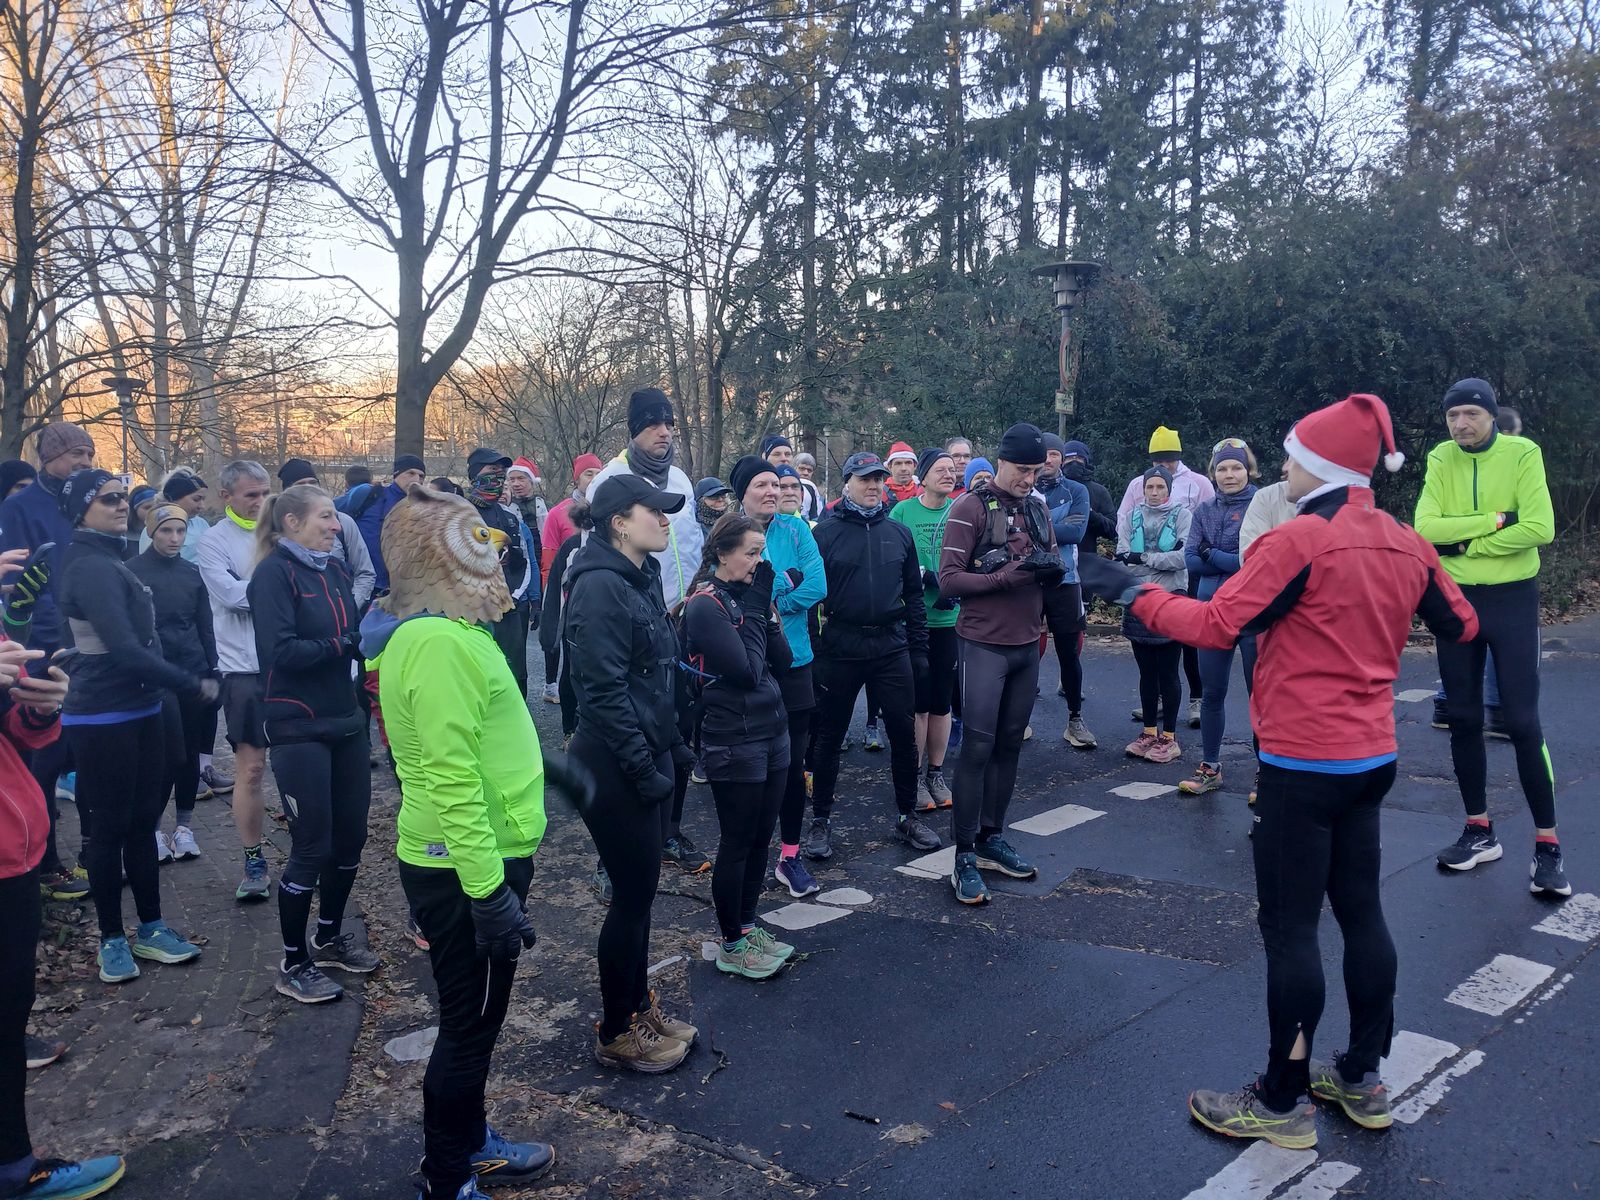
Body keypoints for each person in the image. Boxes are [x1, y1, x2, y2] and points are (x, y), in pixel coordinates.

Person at [1079, 391, 1479, 1151]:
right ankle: (1361, 1077)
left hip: (1301, 762)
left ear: (1322, 466)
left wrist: (1133, 591)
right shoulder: (1405, 540)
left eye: (1294, 457)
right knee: (1362, 913)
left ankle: (1281, 1099)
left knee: (1292, 929)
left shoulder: (1297, 541)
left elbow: (1215, 625)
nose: (1284, 469)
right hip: (1372, 757)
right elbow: (1462, 623)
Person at [360, 483, 576, 1198]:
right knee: (468, 1026)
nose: (497, 546)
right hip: (464, 867)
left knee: (475, 1023)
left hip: (477, 856)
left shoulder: (447, 632)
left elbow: (481, 745)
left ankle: (471, 1144)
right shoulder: (438, 644)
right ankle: (449, 1177)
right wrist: (487, 892)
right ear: (438, 554)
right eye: (478, 536)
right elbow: (449, 776)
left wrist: (556, 776)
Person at [55, 469, 208, 984]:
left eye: (123, 497)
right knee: (106, 830)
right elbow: (122, 647)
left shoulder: (110, 559)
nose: (121, 505)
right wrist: (192, 684)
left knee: (143, 825)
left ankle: (151, 928)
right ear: (81, 511)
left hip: (143, 710)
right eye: (108, 500)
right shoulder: (89, 565)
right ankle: (111, 940)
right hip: (103, 717)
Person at [564, 476, 696, 1073]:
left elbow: (656, 672)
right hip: (615, 764)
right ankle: (618, 1030)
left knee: (642, 895)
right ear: (619, 520)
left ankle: (639, 1008)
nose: (666, 521)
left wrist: (675, 745)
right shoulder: (598, 586)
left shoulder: (638, 577)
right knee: (631, 897)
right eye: (655, 512)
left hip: (648, 753)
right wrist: (645, 768)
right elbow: (603, 692)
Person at [1416, 378, 1566, 895]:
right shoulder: (1441, 457)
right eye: (1453, 416)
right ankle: (1478, 829)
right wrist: (1498, 521)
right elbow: (1425, 529)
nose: (1461, 424)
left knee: (1522, 721)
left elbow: (1541, 527)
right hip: (1456, 602)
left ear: (1491, 416)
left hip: (1512, 601)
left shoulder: (1523, 453)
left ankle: (1547, 845)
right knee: (1462, 718)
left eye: (1471, 415)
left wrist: (1464, 546)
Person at [1, 624, 126, 1200]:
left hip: (13, 853)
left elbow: (16, 733)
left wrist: (40, 709)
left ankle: (14, 1166)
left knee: (9, 1013)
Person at [248, 484, 377, 1003]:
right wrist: (343, 645)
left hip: (345, 721)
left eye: (334, 518)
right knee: (311, 847)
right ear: (293, 522)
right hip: (297, 726)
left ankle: (328, 936)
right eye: (326, 517)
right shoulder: (272, 575)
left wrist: (368, 640)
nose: (335, 526)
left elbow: (354, 637)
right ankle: (293, 962)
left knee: (351, 839)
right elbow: (280, 652)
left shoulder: (336, 570)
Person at [937, 424, 1062, 903]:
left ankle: (992, 838)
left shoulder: (1037, 508)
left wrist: (1049, 576)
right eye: (1021, 470)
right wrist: (1007, 577)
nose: (1029, 479)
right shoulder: (969, 507)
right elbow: (949, 582)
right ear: (1001, 462)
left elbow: (1049, 565)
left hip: (1026, 644)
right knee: (977, 748)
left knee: (1010, 746)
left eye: (1036, 471)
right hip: (982, 646)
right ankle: (963, 855)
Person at [805, 452, 941, 861]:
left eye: (878, 478)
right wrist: (815, 650)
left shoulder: (898, 533)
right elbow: (812, 598)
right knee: (829, 737)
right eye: (865, 479)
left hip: (890, 645)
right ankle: (820, 820)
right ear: (847, 482)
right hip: (841, 645)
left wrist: (919, 650)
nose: (873, 485)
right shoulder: (825, 534)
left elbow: (914, 595)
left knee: (902, 734)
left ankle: (906, 815)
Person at [682, 515, 798, 979]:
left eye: (761, 552)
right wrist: (755, 605)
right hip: (734, 739)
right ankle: (731, 942)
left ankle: (748, 927)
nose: (758, 562)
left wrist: (762, 609)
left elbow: (783, 661)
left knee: (761, 837)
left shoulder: (746, 599)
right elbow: (748, 671)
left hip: (772, 731)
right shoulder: (704, 606)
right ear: (722, 554)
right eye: (751, 553)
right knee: (737, 841)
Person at [0, 421, 95, 903]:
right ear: (50, 456)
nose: (84, 461)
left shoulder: (84, 502)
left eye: (89, 453)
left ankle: (93, 853)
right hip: (44, 652)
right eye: (76, 453)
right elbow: (18, 586)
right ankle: (44, 863)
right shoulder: (19, 507)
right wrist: (44, 641)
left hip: (89, 646)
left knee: (84, 753)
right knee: (45, 759)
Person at [729, 456, 827, 899]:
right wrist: (780, 586)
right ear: (742, 493)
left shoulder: (796, 529)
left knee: (792, 764)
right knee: (751, 763)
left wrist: (772, 605)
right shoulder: (730, 533)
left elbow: (818, 586)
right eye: (762, 485)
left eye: (778, 484)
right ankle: (746, 855)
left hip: (795, 660)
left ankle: (790, 855)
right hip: (748, 662)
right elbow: (735, 589)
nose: (773, 491)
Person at [197, 461, 275, 902]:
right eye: (251, 495)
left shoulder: (286, 529)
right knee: (252, 768)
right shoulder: (214, 541)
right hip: (243, 669)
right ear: (226, 496)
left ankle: (308, 854)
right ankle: (253, 859)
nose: (261, 502)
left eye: (265, 493)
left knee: (301, 764)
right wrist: (284, 590)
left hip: (290, 666)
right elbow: (230, 595)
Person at [129, 504, 219, 865]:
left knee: (189, 755)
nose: (175, 538)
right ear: (152, 532)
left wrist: (214, 669)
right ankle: (153, 829)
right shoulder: (131, 572)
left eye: (181, 531)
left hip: (192, 672)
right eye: (166, 530)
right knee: (161, 756)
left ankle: (184, 827)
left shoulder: (193, 573)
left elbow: (205, 625)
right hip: (154, 676)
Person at [1178, 440, 1260, 796]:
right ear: (1213, 473)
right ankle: (1210, 768)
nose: (1229, 475)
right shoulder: (1204, 510)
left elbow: (1254, 561)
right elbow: (1190, 561)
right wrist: (1227, 559)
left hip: (1255, 612)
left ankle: (1267, 772)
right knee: (1212, 692)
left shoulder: (1262, 505)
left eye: (1236, 467)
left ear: (1248, 470)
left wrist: (1211, 553)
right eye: (1222, 468)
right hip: (1213, 610)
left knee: (1261, 696)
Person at [1119, 427, 1215, 728]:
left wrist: (1146, 558)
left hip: (1181, 584)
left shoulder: (1198, 484)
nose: (1163, 465)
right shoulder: (1136, 490)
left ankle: (1194, 701)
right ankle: (1154, 712)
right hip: (1141, 589)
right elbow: (1123, 549)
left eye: (1168, 459)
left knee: (1186, 648)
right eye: (1158, 460)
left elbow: (1190, 545)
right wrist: (1147, 560)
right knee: (1148, 662)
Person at [586, 389, 703, 613]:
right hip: (639, 610)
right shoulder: (609, 480)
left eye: (669, 425)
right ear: (635, 429)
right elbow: (592, 551)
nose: (664, 432)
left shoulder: (680, 479)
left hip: (691, 607)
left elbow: (694, 541)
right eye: (653, 424)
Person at [891, 448, 960, 811]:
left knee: (941, 702)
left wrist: (957, 585)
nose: (949, 474)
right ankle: (915, 777)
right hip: (914, 621)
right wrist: (927, 578)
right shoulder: (903, 512)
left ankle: (936, 772)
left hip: (950, 620)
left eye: (953, 469)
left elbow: (974, 558)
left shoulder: (961, 510)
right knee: (917, 702)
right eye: (941, 469)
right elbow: (892, 557)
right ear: (924, 475)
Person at [1115, 467, 1192, 764]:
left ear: (1169, 489)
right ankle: (1148, 731)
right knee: (1146, 672)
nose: (1155, 492)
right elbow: (1123, 559)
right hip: (1139, 600)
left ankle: (1169, 737)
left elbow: (1183, 557)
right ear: (1143, 489)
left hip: (1171, 599)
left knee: (1168, 671)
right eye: (1150, 487)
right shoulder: (1131, 517)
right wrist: (1159, 560)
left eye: (1161, 487)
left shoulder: (1183, 516)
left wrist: (1145, 557)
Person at [1037, 434, 1094, 749]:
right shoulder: (1023, 488)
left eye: (1054, 454)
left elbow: (1076, 532)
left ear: (1061, 458)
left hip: (1066, 580)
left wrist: (1034, 527)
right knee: (1024, 653)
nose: (1048, 460)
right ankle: (1018, 720)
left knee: (1069, 654)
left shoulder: (1076, 490)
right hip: (1028, 581)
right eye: (1044, 454)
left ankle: (1075, 720)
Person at [465, 449, 537, 698]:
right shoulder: (457, 515)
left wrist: (513, 598)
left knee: (513, 673)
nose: (497, 479)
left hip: (508, 610)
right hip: (468, 613)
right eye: (491, 472)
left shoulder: (510, 519)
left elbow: (524, 562)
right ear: (474, 476)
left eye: (501, 474)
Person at [277, 460, 377, 610]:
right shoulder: (277, 531)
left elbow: (365, 572)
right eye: (301, 485)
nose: (309, 488)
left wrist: (349, 607)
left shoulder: (343, 522)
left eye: (313, 482)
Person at [351, 455, 428, 592]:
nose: (416, 479)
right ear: (396, 474)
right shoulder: (370, 495)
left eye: (421, 476)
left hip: (400, 588)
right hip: (361, 582)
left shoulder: (423, 508)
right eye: (410, 473)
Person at [541, 453, 603, 582]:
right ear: (577, 480)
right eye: (589, 474)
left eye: (599, 474)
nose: (594, 479)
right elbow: (548, 564)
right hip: (569, 585)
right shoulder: (556, 513)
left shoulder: (609, 511)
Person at [136, 469, 211, 564]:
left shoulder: (201, 524)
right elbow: (149, 565)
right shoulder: (156, 527)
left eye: (203, 500)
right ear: (175, 498)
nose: (202, 506)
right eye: (196, 499)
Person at [1060, 440, 1118, 550]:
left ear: (1086, 462)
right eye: (1069, 458)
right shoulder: (1051, 488)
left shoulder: (1099, 491)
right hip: (1055, 553)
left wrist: (1091, 515)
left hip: (1087, 555)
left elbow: (1113, 530)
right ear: (1062, 461)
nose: (1074, 462)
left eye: (1079, 458)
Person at [793, 452, 824, 521]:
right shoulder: (811, 486)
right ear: (794, 468)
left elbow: (816, 517)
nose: (806, 473)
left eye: (809, 470)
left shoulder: (812, 488)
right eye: (802, 468)